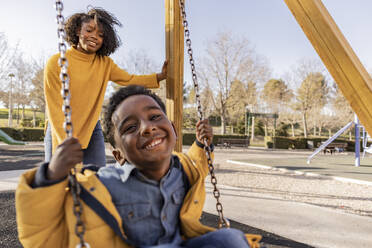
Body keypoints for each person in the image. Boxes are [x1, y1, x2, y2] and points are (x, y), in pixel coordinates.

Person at [16, 85, 261, 248]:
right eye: (130, 128)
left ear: (173, 130)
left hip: (181, 243)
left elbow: (199, 163)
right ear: (118, 154)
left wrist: (200, 142)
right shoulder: (101, 185)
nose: (147, 127)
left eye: (155, 117)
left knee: (231, 238)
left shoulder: (182, 169)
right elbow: (40, 236)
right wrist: (49, 176)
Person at [44, 7, 167, 167]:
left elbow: (129, 79)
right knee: (59, 183)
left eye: (101, 35)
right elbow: (55, 110)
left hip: (91, 129)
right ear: (76, 31)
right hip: (60, 128)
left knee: (97, 181)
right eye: (89, 30)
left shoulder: (104, 63)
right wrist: (67, 146)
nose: (95, 36)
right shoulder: (56, 63)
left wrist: (159, 77)